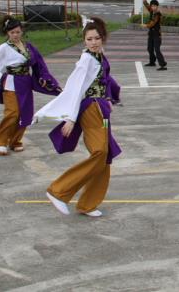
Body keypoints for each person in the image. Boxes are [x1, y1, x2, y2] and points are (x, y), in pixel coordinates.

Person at [36, 17, 122, 218]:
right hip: (90, 109)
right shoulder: (86, 61)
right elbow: (74, 90)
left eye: (97, 38)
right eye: (89, 39)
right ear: (84, 40)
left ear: (102, 39)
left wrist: (108, 96)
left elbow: (105, 79)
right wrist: (71, 118)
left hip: (101, 108)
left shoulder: (99, 55)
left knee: (105, 157)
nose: (94, 42)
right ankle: (59, 191)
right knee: (100, 152)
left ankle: (87, 204)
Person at [0, 16, 61, 156]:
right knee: (13, 113)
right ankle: (1, 142)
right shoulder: (4, 48)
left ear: (22, 31)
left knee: (25, 114)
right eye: (12, 33)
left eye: (17, 32)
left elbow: (39, 65)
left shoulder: (29, 47)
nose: (15, 35)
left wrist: (46, 79)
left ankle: (15, 141)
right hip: (11, 84)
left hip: (26, 83)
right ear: (7, 33)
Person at [141, 0, 166, 70]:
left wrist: (145, 25)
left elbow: (153, 23)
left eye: (154, 6)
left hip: (157, 35)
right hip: (151, 34)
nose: (153, 7)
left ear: (157, 6)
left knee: (157, 50)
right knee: (149, 48)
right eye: (152, 6)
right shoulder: (151, 11)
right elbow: (145, 3)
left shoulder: (158, 14)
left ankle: (162, 64)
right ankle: (152, 62)